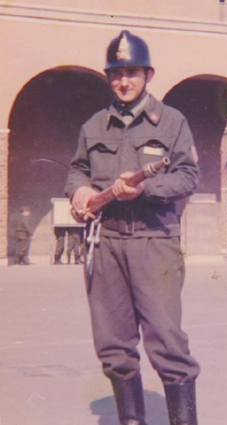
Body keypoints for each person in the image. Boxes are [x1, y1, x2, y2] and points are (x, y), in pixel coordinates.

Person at [65, 30, 200, 425]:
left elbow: (188, 177)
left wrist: (144, 189)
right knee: (113, 346)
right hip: (106, 244)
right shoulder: (94, 126)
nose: (124, 81)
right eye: (116, 73)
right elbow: (77, 170)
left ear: (148, 75)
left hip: (154, 242)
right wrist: (79, 190)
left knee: (167, 341)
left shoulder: (172, 122)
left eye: (132, 73)